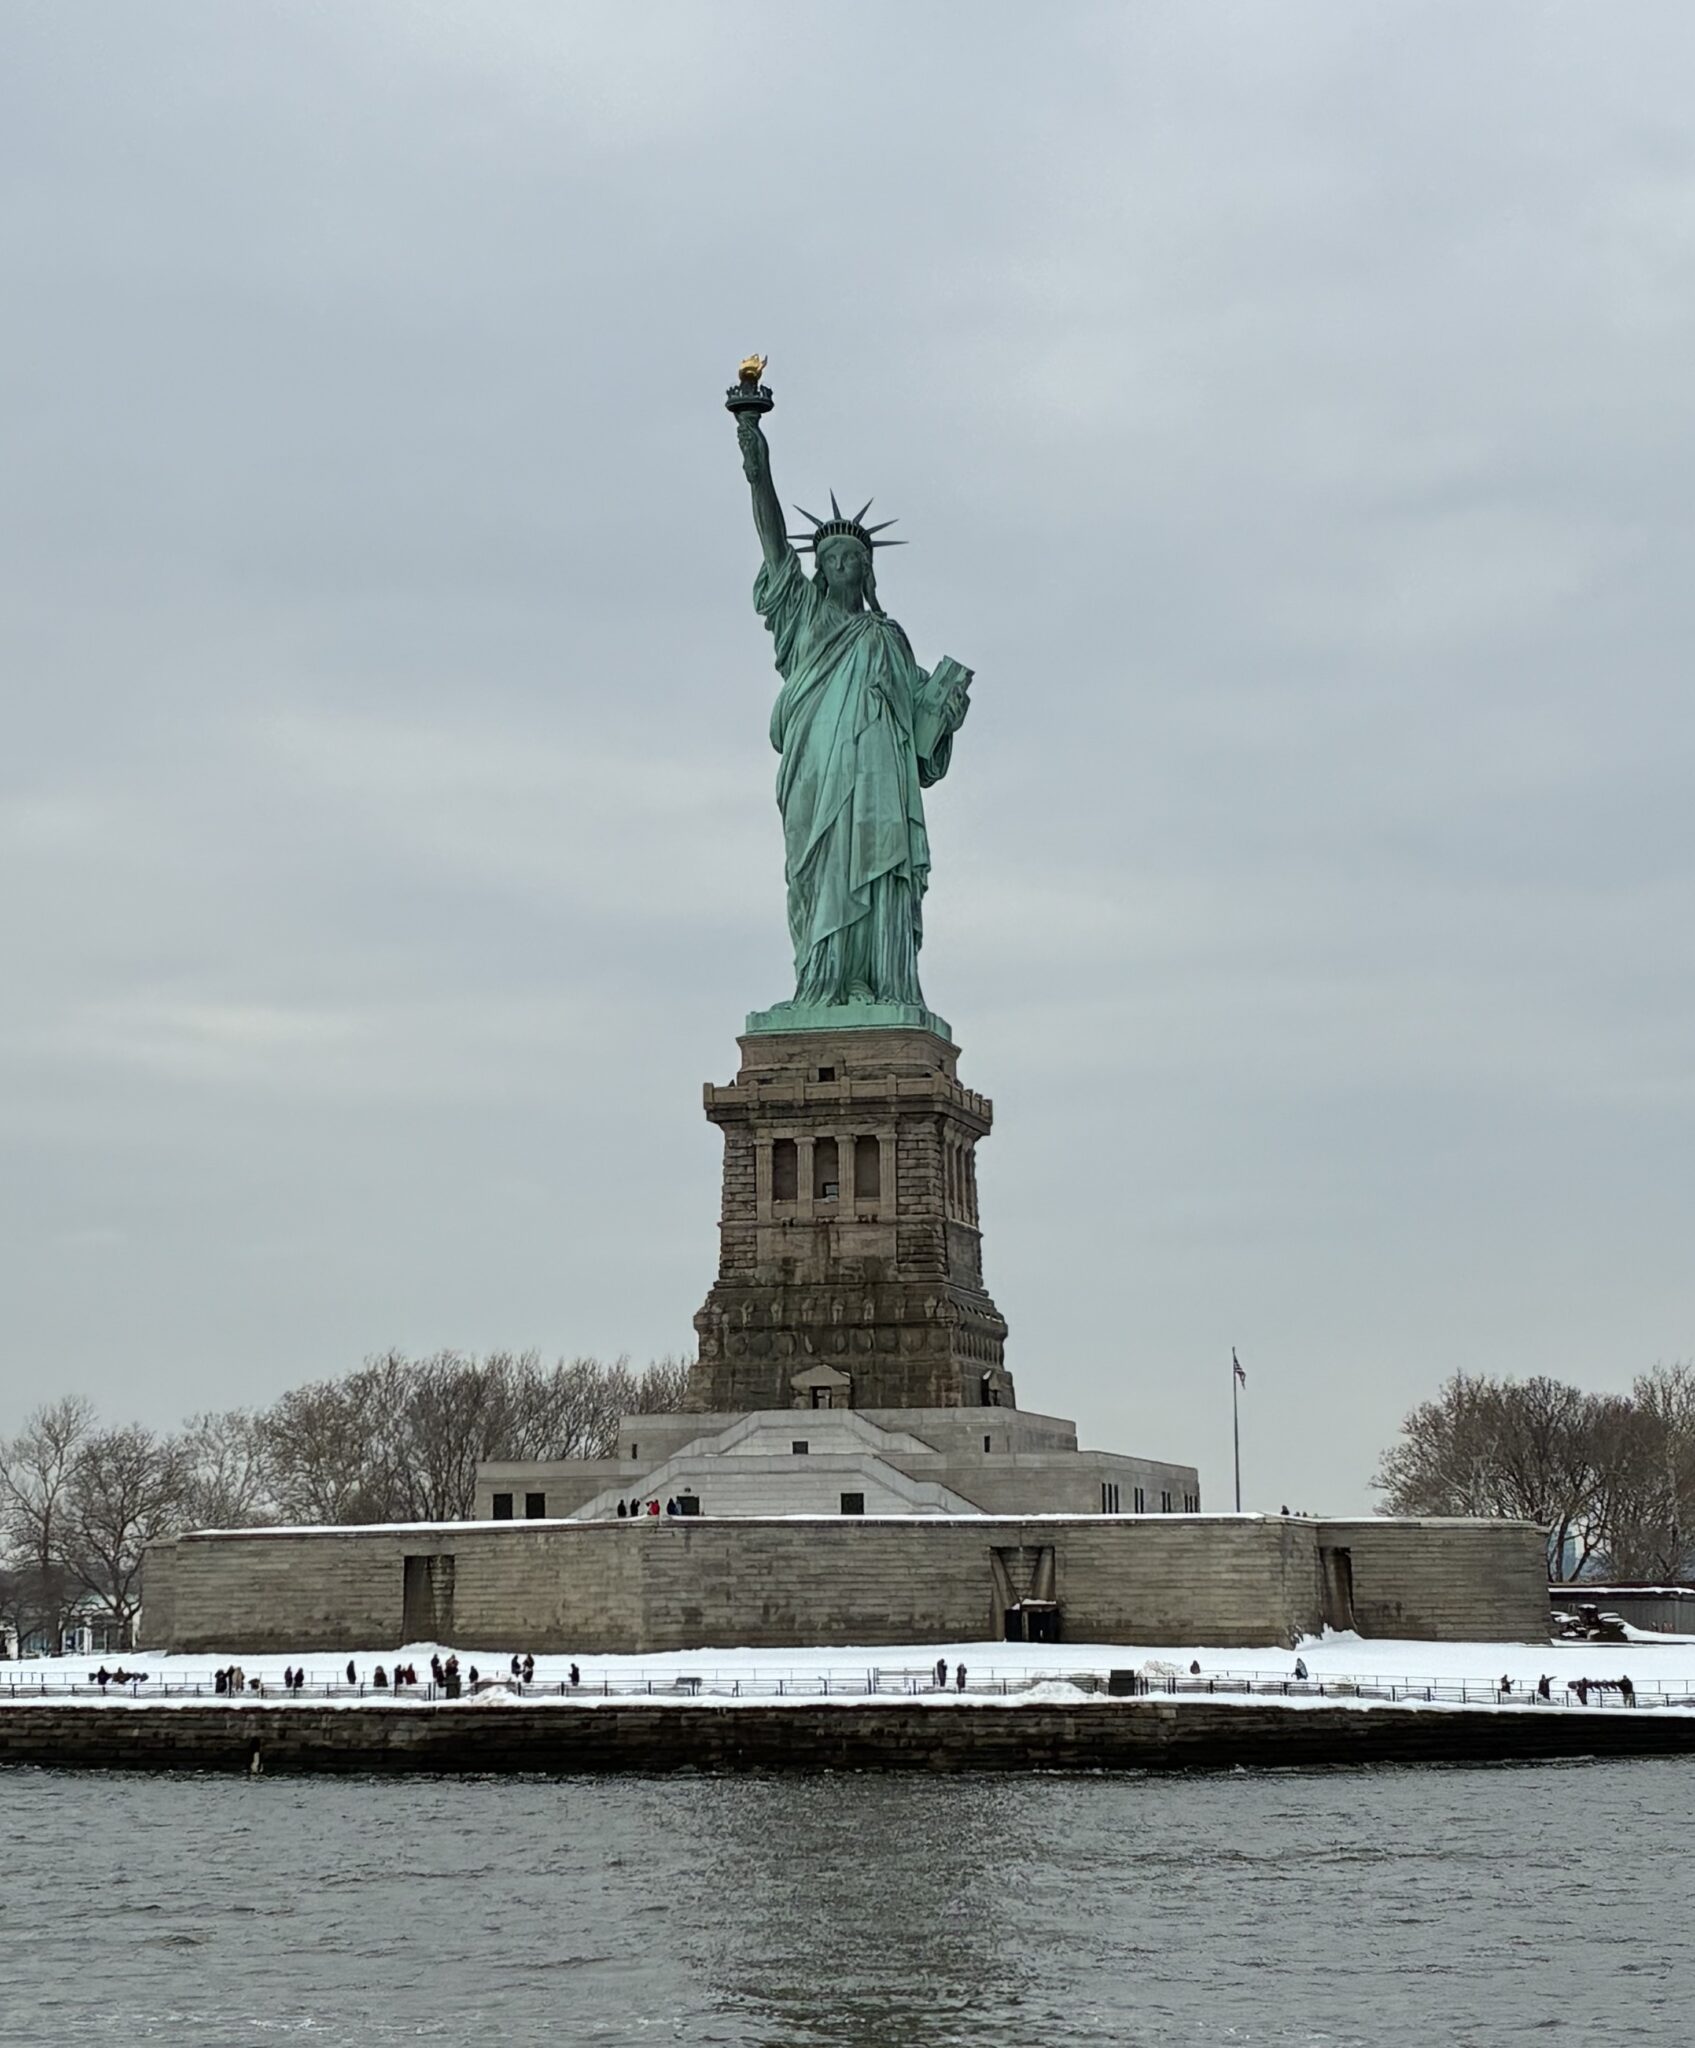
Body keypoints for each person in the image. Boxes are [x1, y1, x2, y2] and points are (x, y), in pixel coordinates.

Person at [734, 387, 973, 1011]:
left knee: (876, 861)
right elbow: (772, 537)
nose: (841, 564)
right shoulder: (802, 615)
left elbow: (921, 741)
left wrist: (945, 714)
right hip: (817, 770)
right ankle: (822, 981)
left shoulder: (887, 638)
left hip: (879, 781)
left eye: (852, 559)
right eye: (832, 557)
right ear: (818, 569)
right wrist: (754, 453)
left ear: (868, 572)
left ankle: (873, 979)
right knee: (820, 870)